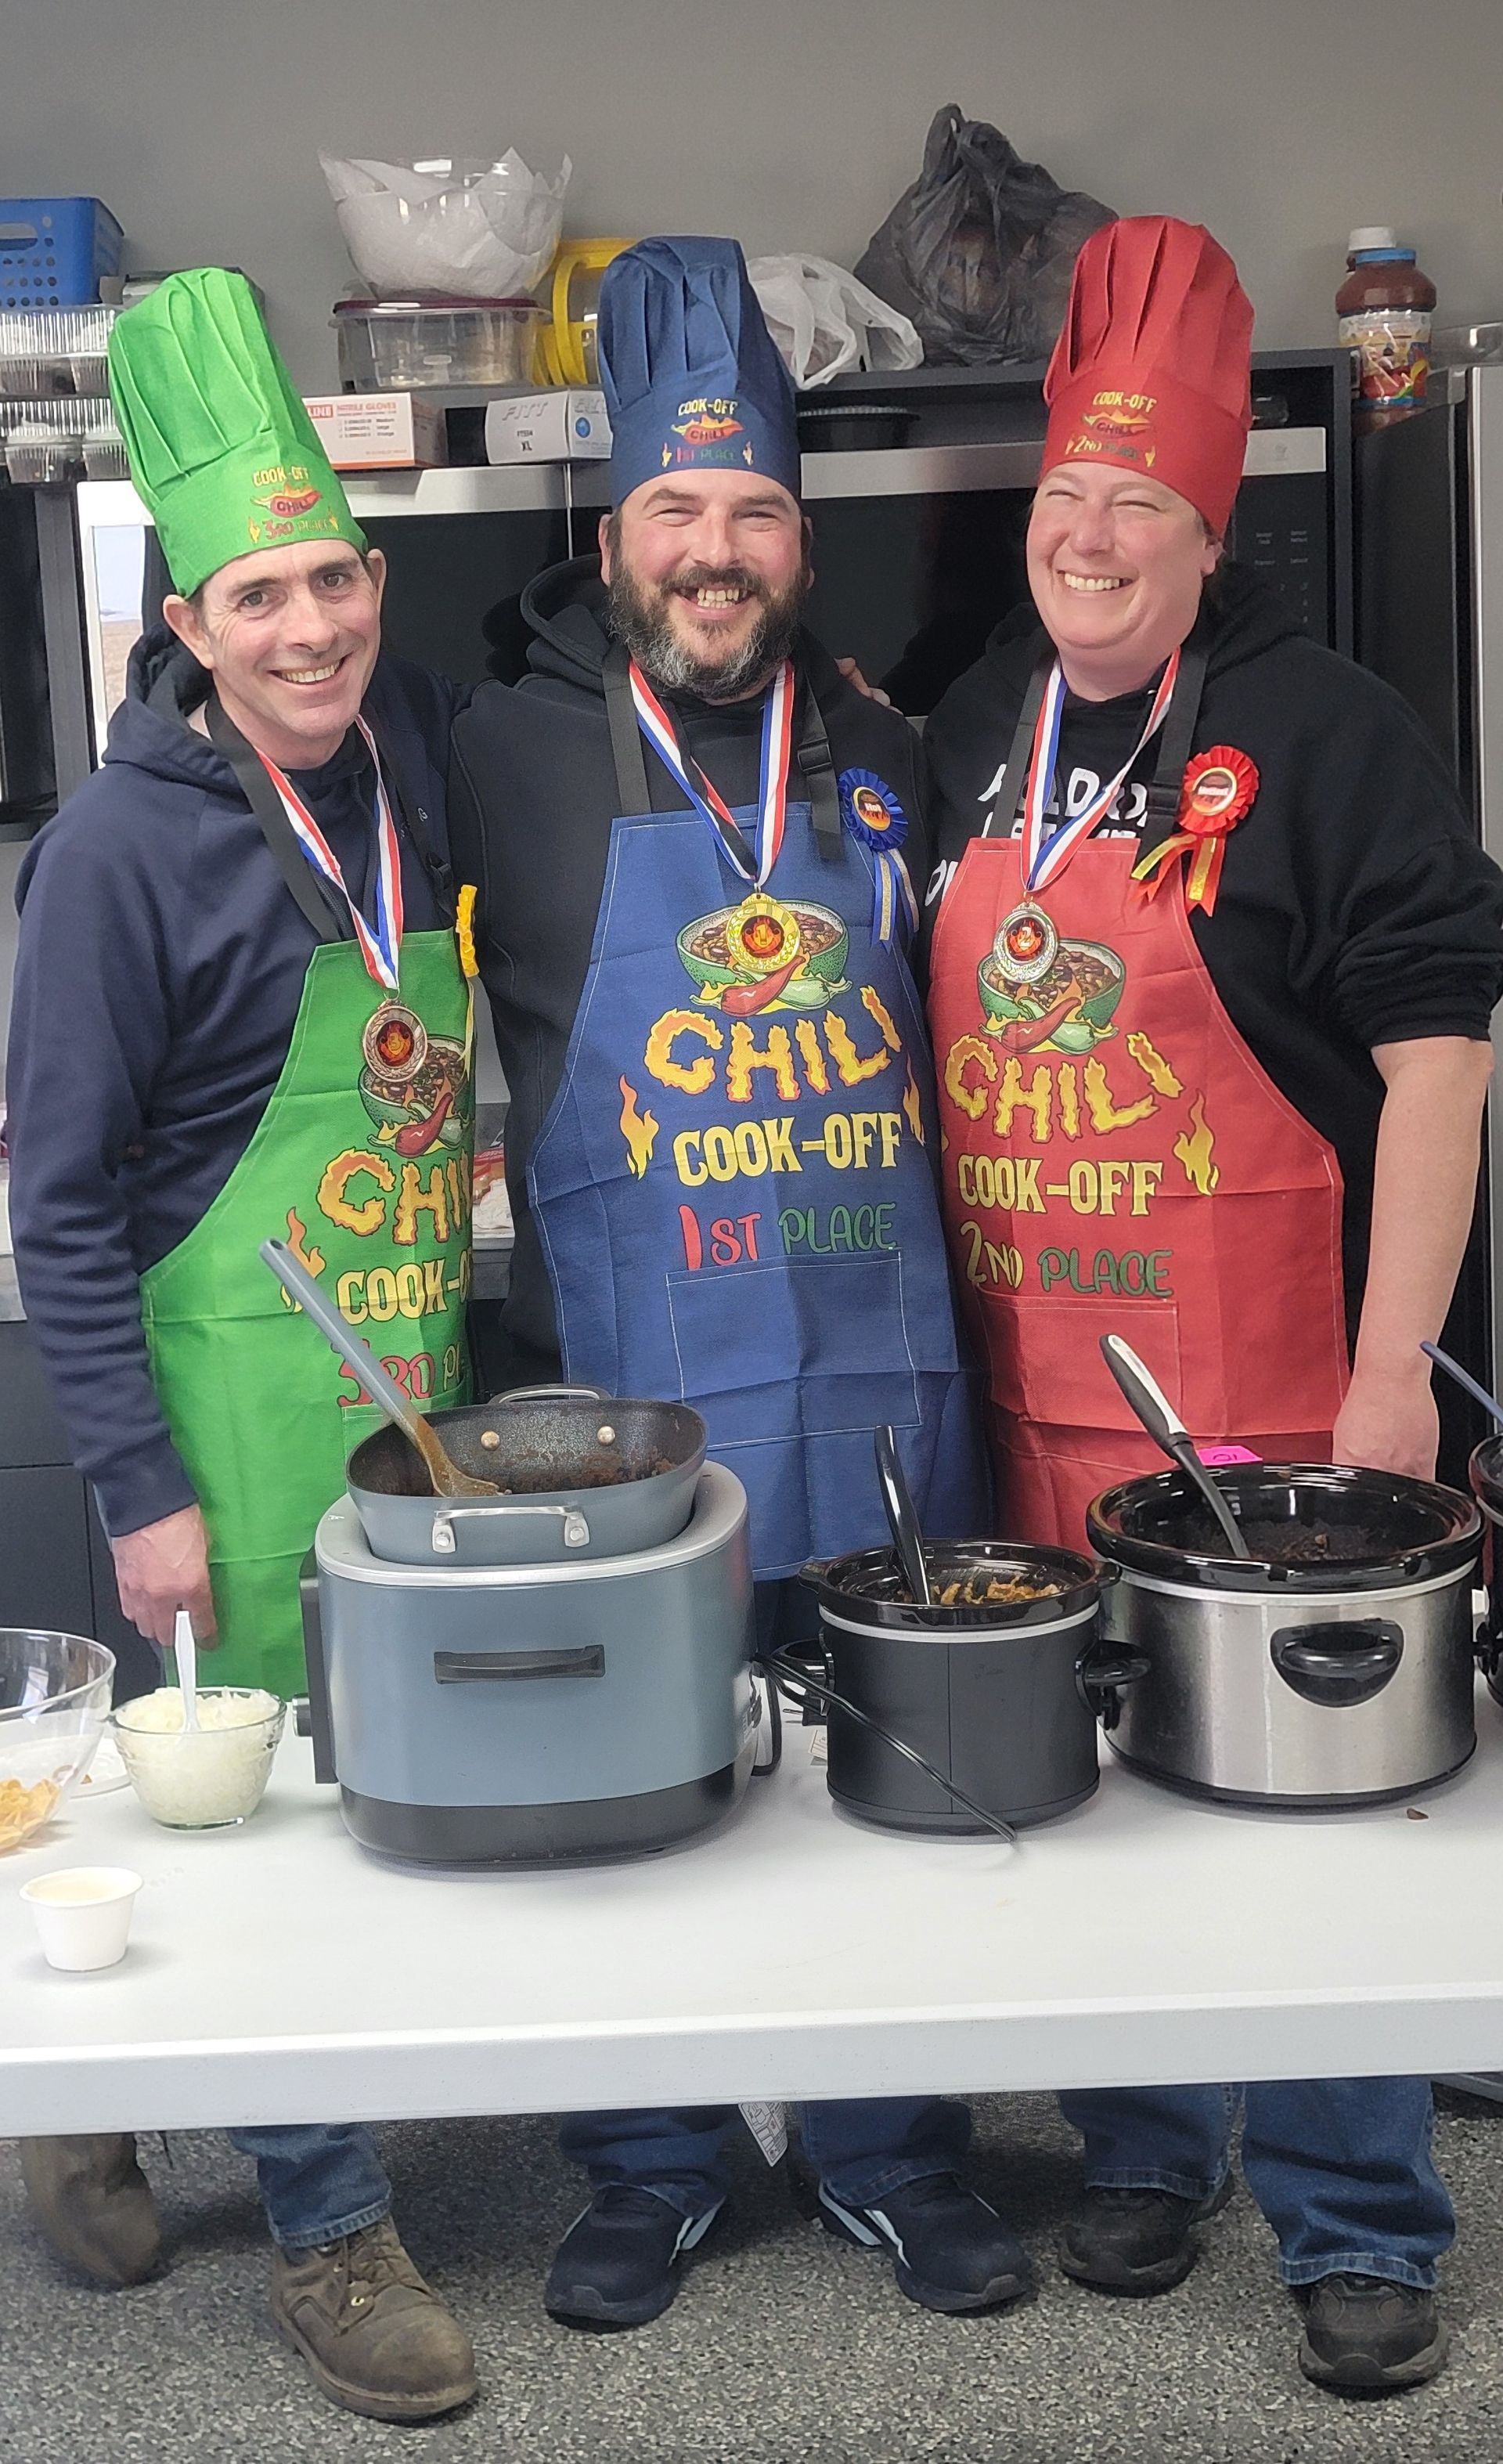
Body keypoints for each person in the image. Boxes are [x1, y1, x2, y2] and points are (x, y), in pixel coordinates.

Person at [922, 215, 1503, 2394]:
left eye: (1133, 508)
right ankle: (1151, 2135)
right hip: (1041, 1378)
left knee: (1320, 1806)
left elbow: (1442, 1056)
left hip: (1280, 1392)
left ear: (1205, 526)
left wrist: (1388, 1380)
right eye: (1066, 498)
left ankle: (1358, 2208)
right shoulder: (985, 715)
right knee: (1103, 1789)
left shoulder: (1330, 730)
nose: (1088, 537)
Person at [449, 236, 1008, 2332]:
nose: (715, 549)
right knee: (638, 1804)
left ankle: (890, 2144)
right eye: (675, 510)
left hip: (880, 1402)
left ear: (799, 536)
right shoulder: (496, 748)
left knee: (893, 1790)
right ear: (612, 537)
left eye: (753, 509)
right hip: (636, 1407)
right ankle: (657, 2157)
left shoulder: (894, 752)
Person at [5, 270, 477, 2425]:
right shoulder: (113, 849)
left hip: (397, 1367)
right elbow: (63, 1198)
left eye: (330, 582)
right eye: (255, 593)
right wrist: (142, 1481)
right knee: (247, 1816)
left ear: (376, 582)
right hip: (220, 1399)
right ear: (186, 622)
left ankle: (109, 2089)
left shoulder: (407, 777)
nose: (306, 628)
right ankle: (319, 2225)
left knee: (352, 1795)